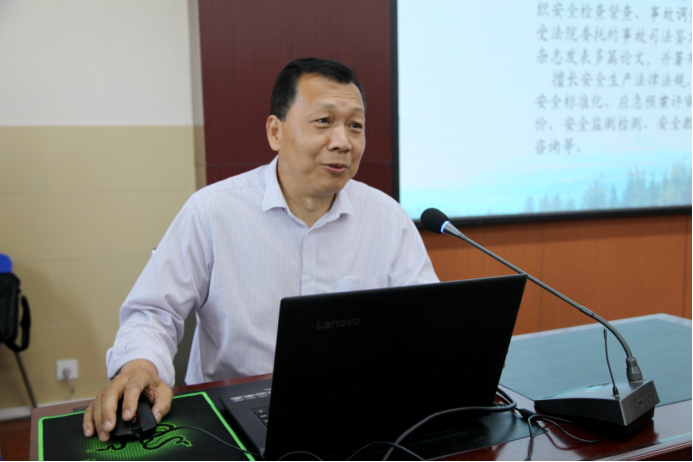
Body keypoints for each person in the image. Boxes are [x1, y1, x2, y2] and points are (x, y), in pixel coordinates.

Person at [83, 57, 438, 441]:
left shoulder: (387, 217)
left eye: (355, 126)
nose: (343, 142)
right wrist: (139, 367)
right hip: (229, 417)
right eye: (324, 121)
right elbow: (154, 311)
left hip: (353, 413)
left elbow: (428, 320)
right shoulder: (212, 210)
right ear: (275, 132)